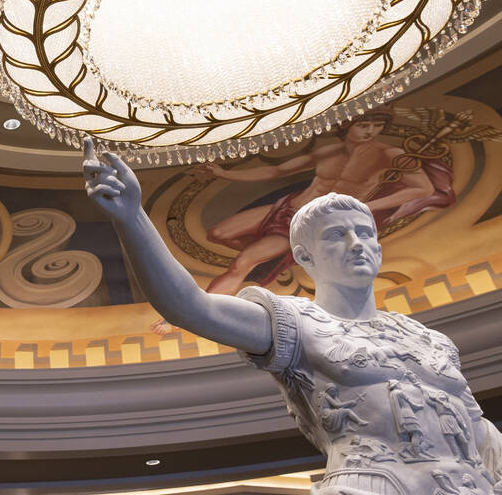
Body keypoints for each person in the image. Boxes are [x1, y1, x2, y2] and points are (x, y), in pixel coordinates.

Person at [82, 139, 502, 494]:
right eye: (338, 234)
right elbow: (192, 307)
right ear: (303, 255)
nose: (358, 243)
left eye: (367, 233)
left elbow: (479, 428)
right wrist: (133, 218)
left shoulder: (428, 339)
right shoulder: (293, 321)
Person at [150, 109, 454, 334]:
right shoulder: (328, 151)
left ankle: (189, 313)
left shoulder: (390, 154)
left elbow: (423, 188)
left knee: (242, 263)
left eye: (376, 125)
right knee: (218, 233)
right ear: (349, 126)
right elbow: (276, 172)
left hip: (305, 223)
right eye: (364, 124)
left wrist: (361, 206)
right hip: (286, 206)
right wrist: (225, 174)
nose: (370, 130)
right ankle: (282, 258)